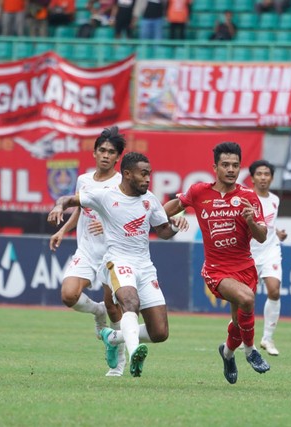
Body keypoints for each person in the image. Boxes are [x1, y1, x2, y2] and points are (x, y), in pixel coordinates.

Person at [48, 152, 188, 377]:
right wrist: (58, 207)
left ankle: (112, 337)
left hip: (145, 266)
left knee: (160, 332)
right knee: (130, 302)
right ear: (127, 174)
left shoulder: (149, 199)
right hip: (117, 261)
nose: (147, 179)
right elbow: (69, 199)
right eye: (143, 174)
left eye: (149, 174)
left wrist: (174, 226)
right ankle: (134, 353)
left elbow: (162, 230)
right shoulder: (104, 196)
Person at [164, 142, 270, 385]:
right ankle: (251, 351)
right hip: (216, 270)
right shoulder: (199, 192)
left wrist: (251, 221)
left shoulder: (248, 197)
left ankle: (227, 352)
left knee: (237, 322)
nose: (231, 169)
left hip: (245, 268)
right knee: (247, 299)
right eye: (225, 165)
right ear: (215, 167)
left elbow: (262, 237)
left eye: (235, 165)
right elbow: (170, 208)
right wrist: (171, 219)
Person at [49, 126, 127, 377]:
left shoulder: (122, 184)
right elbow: (81, 209)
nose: (105, 155)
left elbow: (128, 217)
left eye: (111, 152)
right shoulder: (83, 180)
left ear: (118, 157)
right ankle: (97, 311)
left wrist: (106, 223)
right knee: (68, 295)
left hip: (111, 252)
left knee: (115, 307)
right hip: (86, 249)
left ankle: (118, 361)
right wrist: (63, 230)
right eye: (102, 150)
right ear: (94, 153)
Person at [249, 160, 287, 357]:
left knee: (274, 290)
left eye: (266, 174)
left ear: (271, 177)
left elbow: (269, 223)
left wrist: (278, 232)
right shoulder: (246, 198)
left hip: (270, 250)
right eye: (259, 174)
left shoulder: (275, 200)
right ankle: (239, 334)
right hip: (249, 253)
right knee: (247, 297)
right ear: (252, 177)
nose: (263, 177)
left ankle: (268, 338)